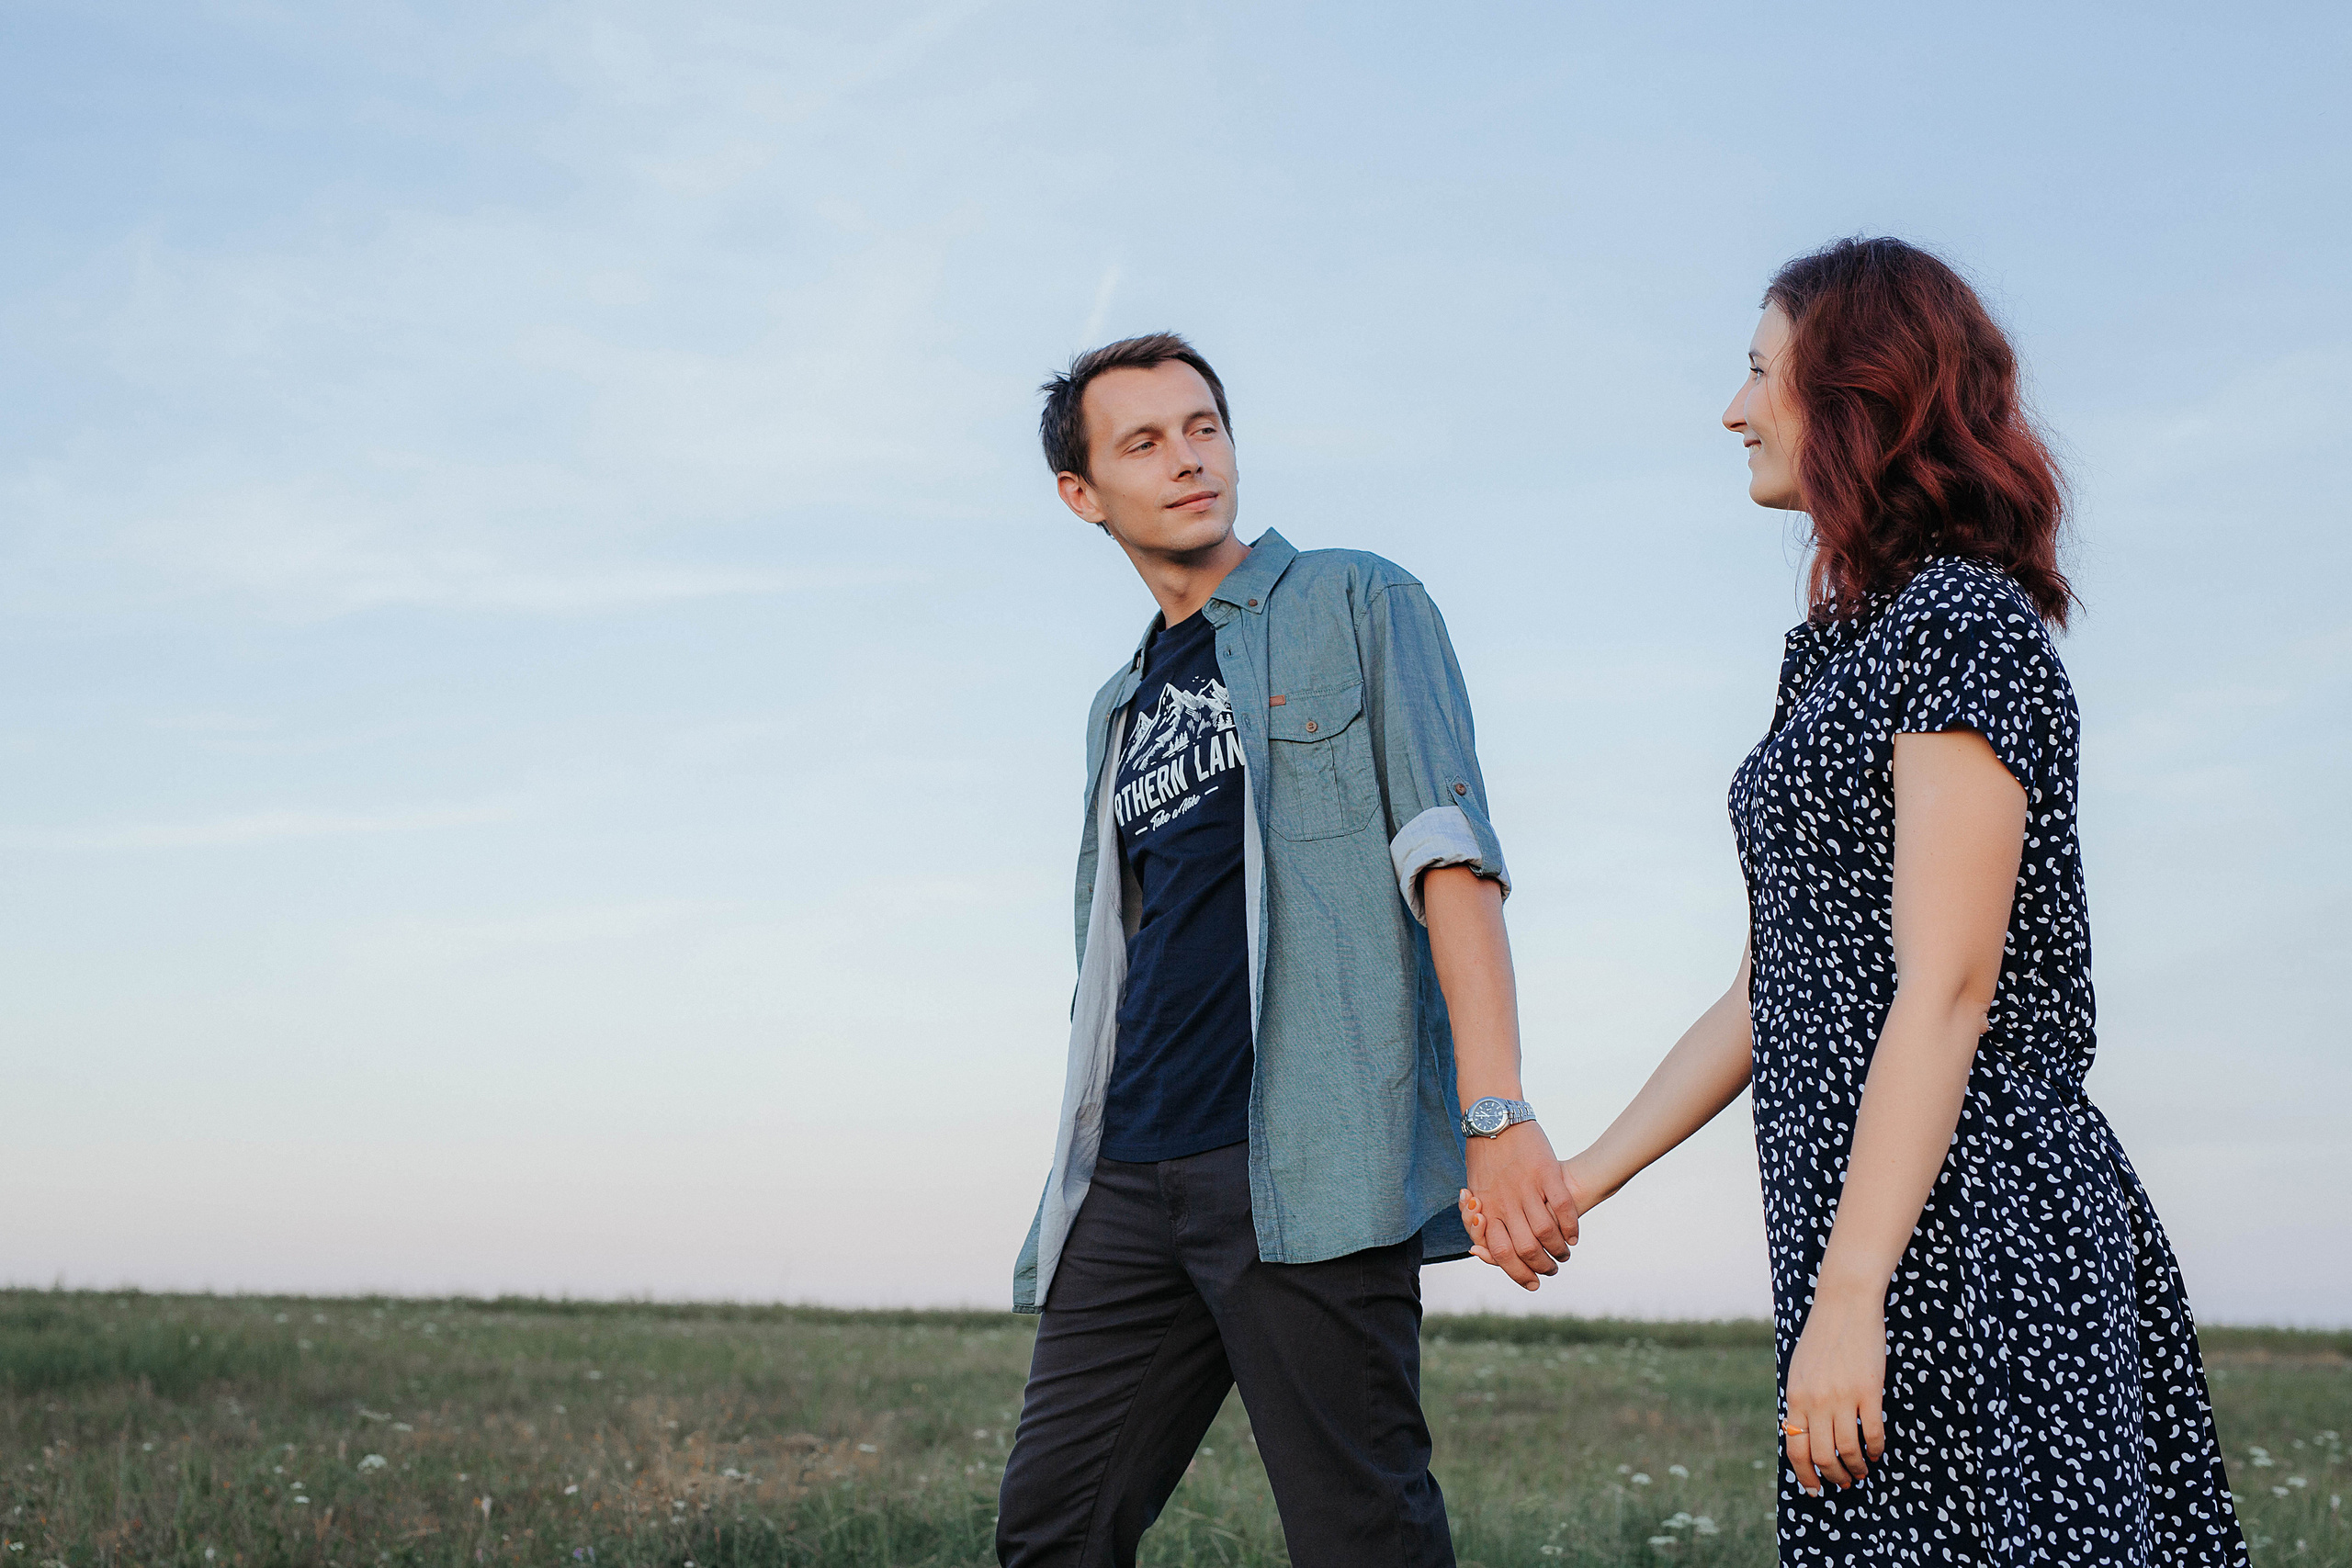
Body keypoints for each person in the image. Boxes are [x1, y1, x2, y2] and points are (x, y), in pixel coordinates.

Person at [1465, 238, 2248, 1566]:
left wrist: (1850, 1291)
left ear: (1859, 401)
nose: (1732, 409)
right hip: (1873, 1237)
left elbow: (1944, 989)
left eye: (1760, 373)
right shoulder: (1839, 654)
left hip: (1983, 1238)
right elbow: (1779, 984)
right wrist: (1583, 1181)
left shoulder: (1964, 625)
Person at [997, 332, 1577, 1568]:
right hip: (1132, 1170)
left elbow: (1450, 852)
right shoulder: (1119, 707)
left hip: (1308, 1166)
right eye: (1144, 442)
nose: (1189, 459)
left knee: (1360, 1535)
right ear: (1082, 495)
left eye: (1204, 426)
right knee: (1051, 1526)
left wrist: (1497, 1105)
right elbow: (1117, 957)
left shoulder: (1359, 601)